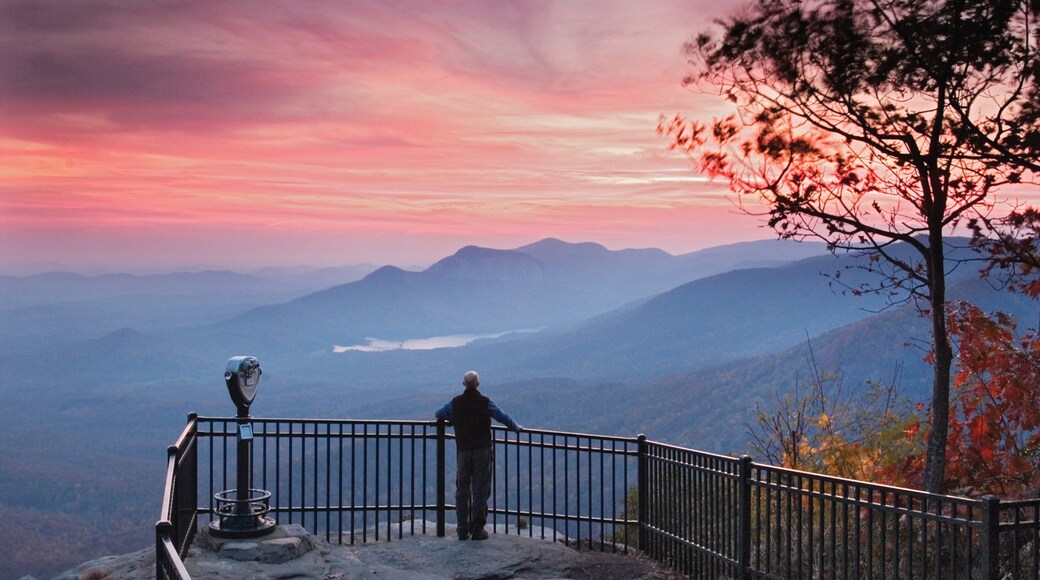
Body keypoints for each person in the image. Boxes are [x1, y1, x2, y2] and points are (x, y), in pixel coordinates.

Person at [435, 370, 522, 540]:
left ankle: (461, 528)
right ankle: (477, 529)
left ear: (463, 385)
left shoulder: (455, 403)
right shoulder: (485, 402)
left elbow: (439, 414)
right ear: (478, 384)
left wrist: (452, 419)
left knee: (462, 490)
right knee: (480, 489)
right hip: (482, 449)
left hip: (463, 450)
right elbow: (502, 417)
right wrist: (516, 427)